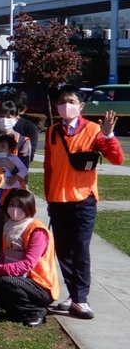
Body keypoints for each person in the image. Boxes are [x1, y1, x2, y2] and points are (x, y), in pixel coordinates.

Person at [44, 85, 123, 320]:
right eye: (62, 101)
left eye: (70, 101)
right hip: (58, 200)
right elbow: (49, 167)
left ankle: (81, 299)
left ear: (81, 106)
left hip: (83, 199)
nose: (65, 106)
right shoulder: (52, 131)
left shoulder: (93, 130)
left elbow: (117, 159)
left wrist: (108, 136)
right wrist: (49, 197)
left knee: (80, 249)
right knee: (63, 251)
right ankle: (73, 294)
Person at [0, 189, 60, 327]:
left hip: (40, 284)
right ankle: (17, 312)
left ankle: (36, 311)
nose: (15, 209)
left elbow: (28, 264)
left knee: (6, 281)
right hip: (19, 277)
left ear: (28, 207)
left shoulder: (37, 230)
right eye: (11, 204)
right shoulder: (9, 226)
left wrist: (2, 269)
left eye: (20, 205)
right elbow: (5, 255)